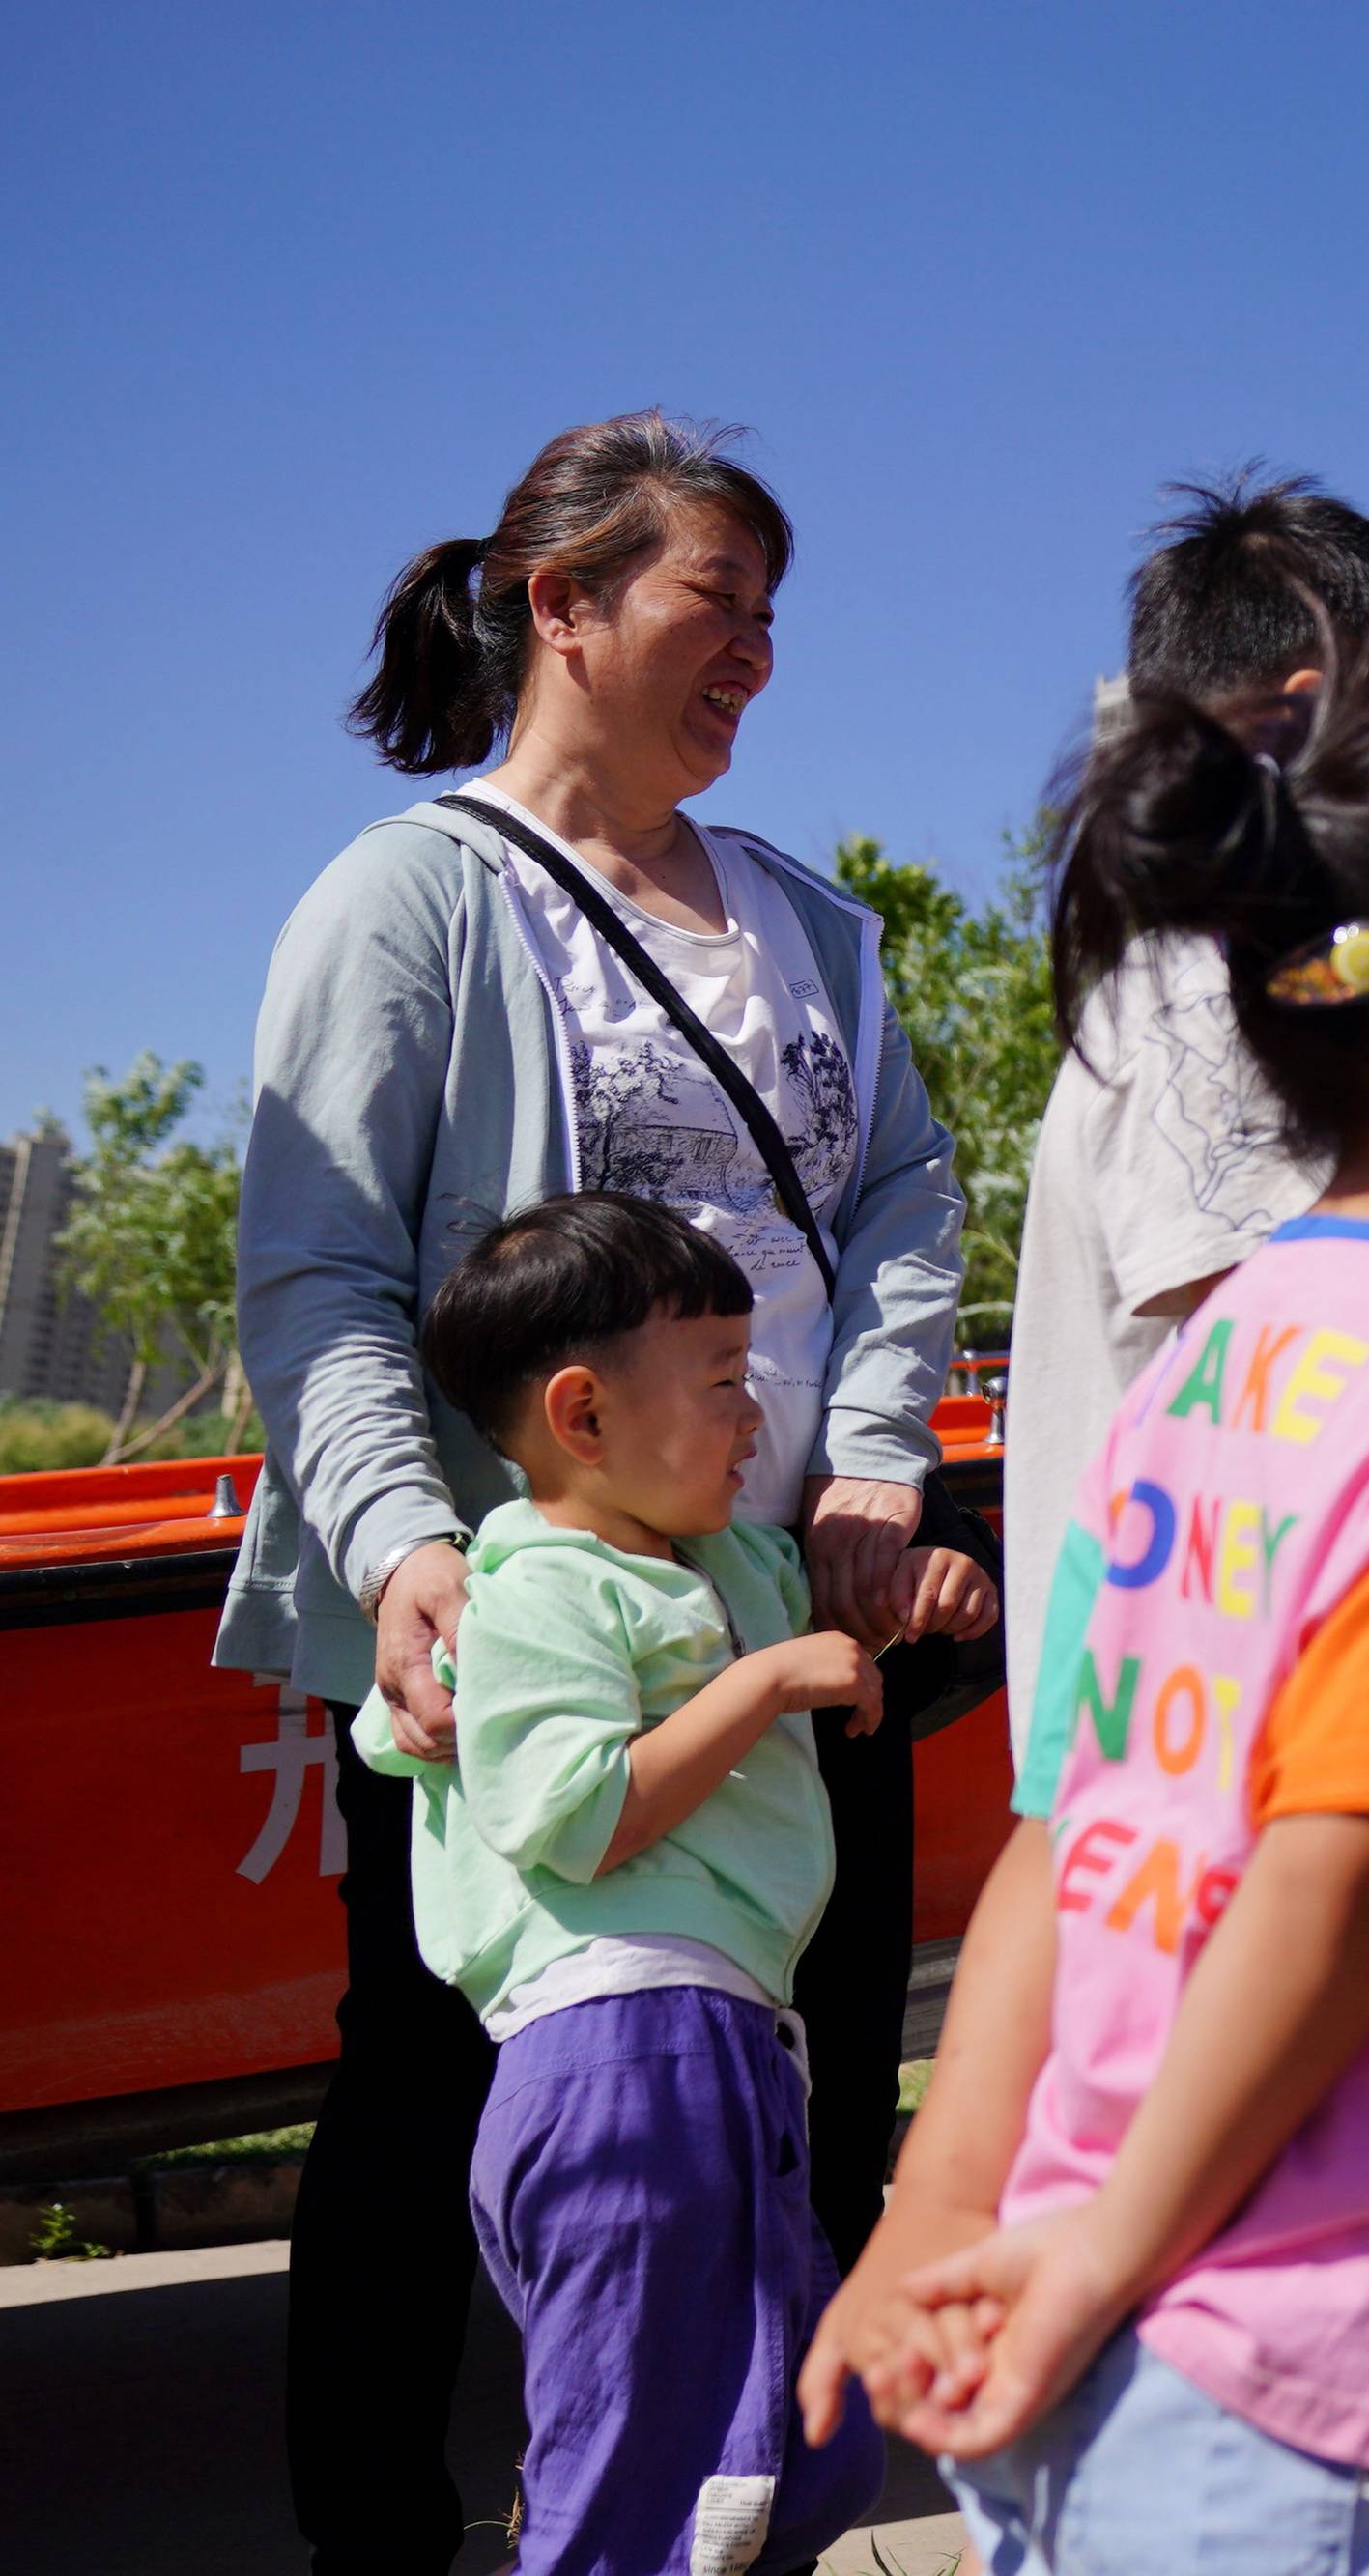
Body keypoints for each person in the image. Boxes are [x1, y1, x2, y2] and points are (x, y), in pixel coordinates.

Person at [796, 637, 1369, 2576]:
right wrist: (1102, 2250)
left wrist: (944, 2208)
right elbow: (1355, 1861)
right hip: (1328, 2358)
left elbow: (1070, 1830)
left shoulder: (1209, 1367)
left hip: (1094, 2295)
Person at [231, 412, 967, 2576]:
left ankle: (751, 2524)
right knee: (440, 2088)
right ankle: (382, 2536)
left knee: (805, 2076)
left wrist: (870, 1461)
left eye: (769, 618)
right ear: (558, 602)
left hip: (789, 1595)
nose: (752, 655)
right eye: (706, 603)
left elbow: (909, 1198)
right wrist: (409, 1543)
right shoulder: (409, 896)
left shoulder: (815, 933)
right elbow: (318, 1267)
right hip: (522, 1615)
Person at [361, 1195, 985, 2574]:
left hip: (726, 2041)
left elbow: (835, 1631)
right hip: (620, 2048)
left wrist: (916, 1589)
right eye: (723, 1383)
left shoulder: (732, 1563)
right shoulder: (529, 1594)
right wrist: (767, 1678)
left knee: (788, 2442)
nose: (759, 1416)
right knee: (641, 2456)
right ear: (582, 1417)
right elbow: (576, 1813)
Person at [1001, 472, 1369, 1769]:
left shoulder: (1276, 980)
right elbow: (1297, 1365)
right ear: (1301, 714)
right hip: (1210, 1743)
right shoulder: (1207, 990)